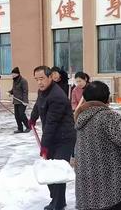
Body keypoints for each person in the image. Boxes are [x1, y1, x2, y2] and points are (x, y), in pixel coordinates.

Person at [74, 81, 121, 210]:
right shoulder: (106, 116)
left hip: (88, 192)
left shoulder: (82, 117)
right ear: (107, 98)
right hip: (112, 192)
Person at [29, 66, 76, 210]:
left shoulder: (57, 96)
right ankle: (56, 199)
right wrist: (33, 118)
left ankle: (58, 203)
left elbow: (51, 123)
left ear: (50, 77)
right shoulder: (43, 91)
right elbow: (38, 104)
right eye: (37, 79)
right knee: (50, 170)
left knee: (57, 172)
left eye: (42, 78)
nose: (39, 82)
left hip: (64, 138)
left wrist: (44, 145)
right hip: (53, 135)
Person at [8, 66, 31, 133]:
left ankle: (28, 127)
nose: (12, 75)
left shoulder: (23, 81)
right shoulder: (14, 81)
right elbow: (13, 89)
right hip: (16, 101)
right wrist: (10, 92)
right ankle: (20, 128)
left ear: (17, 74)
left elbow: (25, 91)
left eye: (13, 74)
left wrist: (25, 101)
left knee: (22, 114)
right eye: (12, 74)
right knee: (17, 116)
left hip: (22, 101)